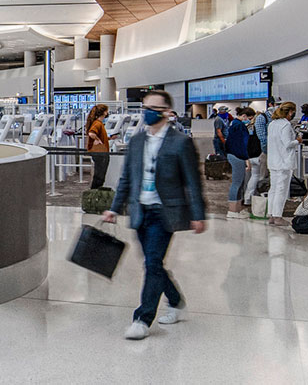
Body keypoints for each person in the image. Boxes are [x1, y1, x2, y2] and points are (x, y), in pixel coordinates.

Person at [102, 89, 206, 341]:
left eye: (154, 109)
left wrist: (198, 214)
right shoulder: (137, 141)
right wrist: (114, 208)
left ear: (167, 113)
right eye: (145, 108)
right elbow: (127, 178)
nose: (147, 113)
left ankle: (142, 319)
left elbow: (193, 181)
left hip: (165, 212)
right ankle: (176, 300)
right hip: (140, 211)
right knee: (153, 263)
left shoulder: (180, 142)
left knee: (152, 263)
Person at [265, 102, 300, 226]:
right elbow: (287, 143)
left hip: (273, 161)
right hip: (283, 163)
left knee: (273, 189)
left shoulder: (272, 124)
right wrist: (297, 141)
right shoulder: (285, 125)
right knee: (281, 190)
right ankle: (278, 216)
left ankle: (271, 215)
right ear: (290, 112)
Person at [223, 107, 256, 215]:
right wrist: (246, 159)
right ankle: (232, 211)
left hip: (232, 154)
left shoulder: (233, 123)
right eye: (250, 118)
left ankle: (236, 209)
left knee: (238, 183)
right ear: (244, 116)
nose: (250, 121)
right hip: (237, 156)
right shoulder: (240, 126)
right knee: (237, 183)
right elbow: (241, 145)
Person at [84, 104, 111, 190]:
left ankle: (95, 192)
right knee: (99, 175)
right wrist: (97, 139)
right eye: (107, 111)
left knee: (98, 175)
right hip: (101, 153)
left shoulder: (98, 123)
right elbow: (91, 133)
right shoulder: (98, 123)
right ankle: (95, 193)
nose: (107, 112)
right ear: (104, 112)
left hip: (100, 152)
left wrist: (108, 138)